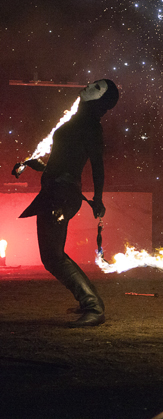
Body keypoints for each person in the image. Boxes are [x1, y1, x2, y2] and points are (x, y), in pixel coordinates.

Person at [12, 79, 120, 327]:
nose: (89, 86)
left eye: (97, 88)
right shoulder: (77, 122)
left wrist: (99, 198)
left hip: (62, 195)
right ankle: (89, 304)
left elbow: (97, 165)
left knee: (54, 257)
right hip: (55, 192)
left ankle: (93, 306)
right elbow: (59, 164)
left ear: (101, 100)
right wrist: (29, 164)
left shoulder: (90, 125)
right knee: (52, 257)